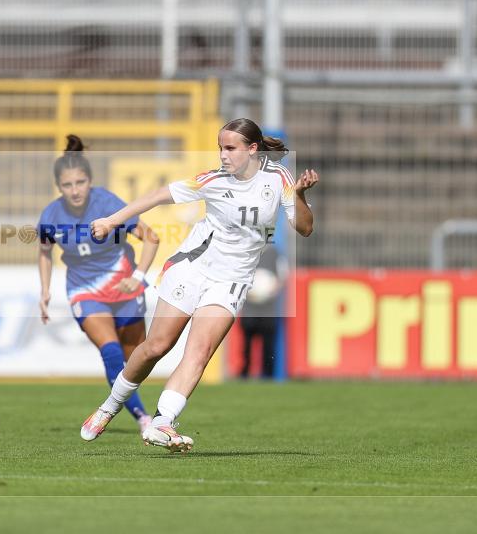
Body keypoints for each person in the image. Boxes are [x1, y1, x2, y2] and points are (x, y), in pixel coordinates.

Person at [80, 118, 318, 451]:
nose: (223, 155)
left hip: (232, 281)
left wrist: (301, 195)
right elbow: (158, 196)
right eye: (220, 148)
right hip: (192, 269)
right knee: (157, 346)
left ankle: (162, 423)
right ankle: (110, 406)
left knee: (200, 352)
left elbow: (304, 228)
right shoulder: (213, 180)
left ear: (252, 149)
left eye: (230, 148)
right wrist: (111, 220)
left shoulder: (279, 178)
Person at [38, 135, 159, 432]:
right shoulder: (51, 215)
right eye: (67, 185)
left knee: (136, 359)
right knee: (111, 353)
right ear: (59, 187)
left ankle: (142, 408)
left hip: (124, 287)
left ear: (90, 181)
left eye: (80, 182)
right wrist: (45, 291)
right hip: (84, 290)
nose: (75, 190)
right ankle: (143, 419)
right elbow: (44, 251)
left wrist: (137, 278)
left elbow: (151, 238)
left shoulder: (107, 203)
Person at [238, 243, 287, 379]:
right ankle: (245, 373)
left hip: (268, 308)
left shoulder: (275, 254)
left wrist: (271, 289)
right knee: (247, 342)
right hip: (249, 307)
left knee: (268, 343)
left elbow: (283, 277)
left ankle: (268, 374)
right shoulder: (246, 252)